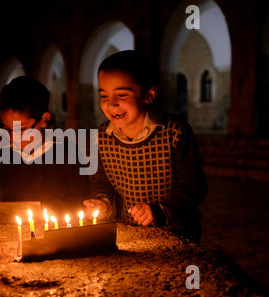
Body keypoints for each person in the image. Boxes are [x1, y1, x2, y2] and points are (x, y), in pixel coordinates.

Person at [83, 50, 208, 243]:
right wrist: (102, 202)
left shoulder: (174, 133)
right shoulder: (100, 138)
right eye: (104, 96)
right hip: (128, 236)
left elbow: (194, 187)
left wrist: (160, 210)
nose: (111, 104)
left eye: (121, 95)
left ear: (148, 95)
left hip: (176, 236)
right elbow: (102, 183)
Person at [0, 76, 90, 214]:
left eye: (22, 129)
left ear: (44, 119)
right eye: (7, 129)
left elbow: (81, 201)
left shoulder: (67, 154)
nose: (12, 137)